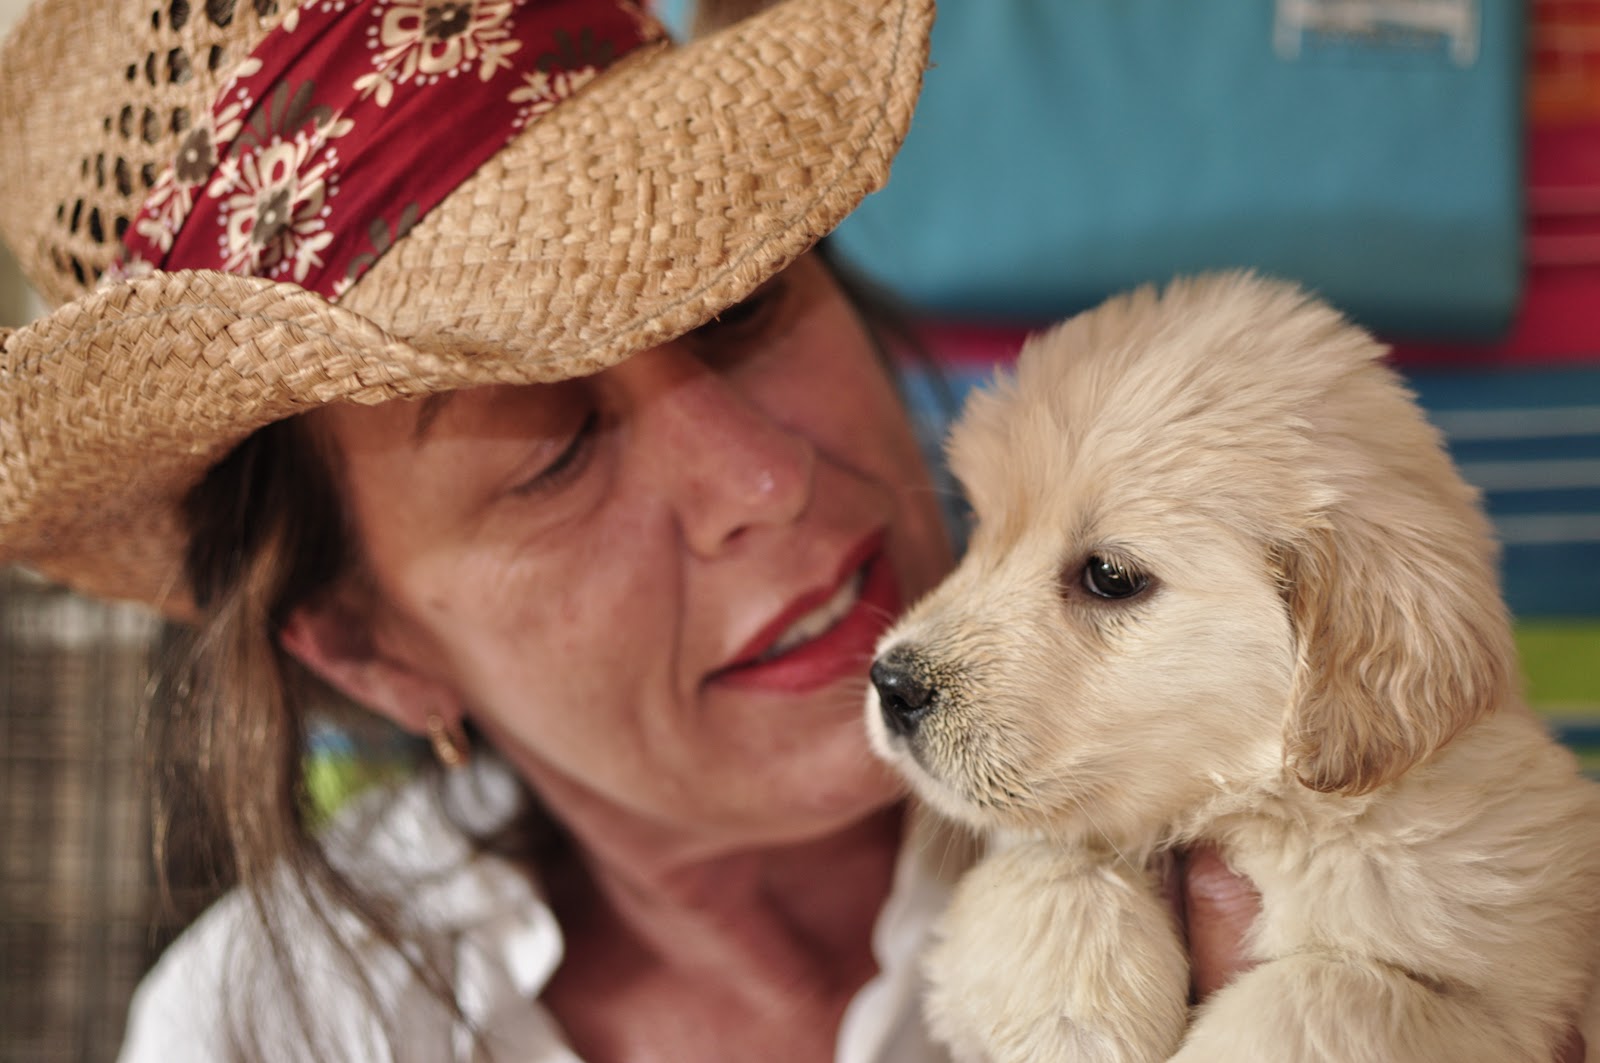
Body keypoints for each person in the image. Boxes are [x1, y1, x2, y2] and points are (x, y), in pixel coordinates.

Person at [0, 1, 1583, 1061]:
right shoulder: (280, 1029)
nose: (755, 475)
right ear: (370, 645)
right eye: (552, 454)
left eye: (747, 309)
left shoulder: (1244, 757)